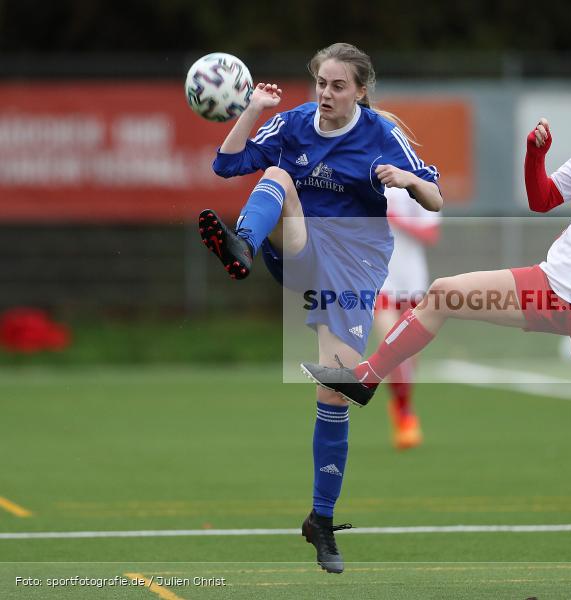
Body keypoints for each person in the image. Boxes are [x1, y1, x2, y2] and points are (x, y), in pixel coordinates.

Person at [303, 57, 571, 589]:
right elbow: (541, 200)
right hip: (551, 284)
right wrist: (535, 154)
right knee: (442, 294)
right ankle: (367, 380)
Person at [198, 42, 442, 574]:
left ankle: (321, 521)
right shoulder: (294, 123)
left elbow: (437, 197)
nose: (325, 94)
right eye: (321, 84)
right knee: (278, 177)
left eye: (337, 86)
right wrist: (253, 110)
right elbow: (225, 164)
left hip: (354, 265)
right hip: (301, 247)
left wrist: (408, 181)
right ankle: (240, 242)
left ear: (360, 90)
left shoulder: (383, 134)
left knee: (334, 389)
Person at [375, 186, 441, 450]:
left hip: (412, 278)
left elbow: (431, 233)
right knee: (393, 343)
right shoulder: (367, 176)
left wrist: (396, 219)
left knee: (410, 353)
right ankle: (405, 415)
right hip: (380, 276)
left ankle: (402, 403)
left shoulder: (419, 183)